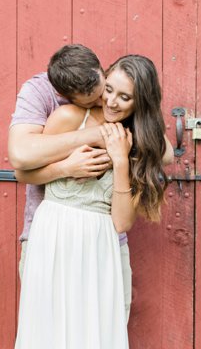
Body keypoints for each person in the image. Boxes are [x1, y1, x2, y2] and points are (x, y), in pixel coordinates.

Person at [0, 54, 172, 349]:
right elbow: (25, 170)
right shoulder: (69, 114)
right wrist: (68, 165)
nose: (111, 101)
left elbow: (121, 221)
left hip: (98, 245)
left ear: (140, 101)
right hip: (53, 237)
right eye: (108, 88)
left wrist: (120, 158)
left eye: (124, 96)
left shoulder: (139, 144)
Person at [8, 44, 133, 320]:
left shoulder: (117, 92)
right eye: (90, 101)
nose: (105, 102)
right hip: (50, 234)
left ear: (103, 70)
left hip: (105, 236)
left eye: (103, 90)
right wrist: (68, 165)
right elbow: (20, 158)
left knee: (105, 327)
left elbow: (165, 152)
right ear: (63, 96)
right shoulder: (43, 95)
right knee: (49, 327)